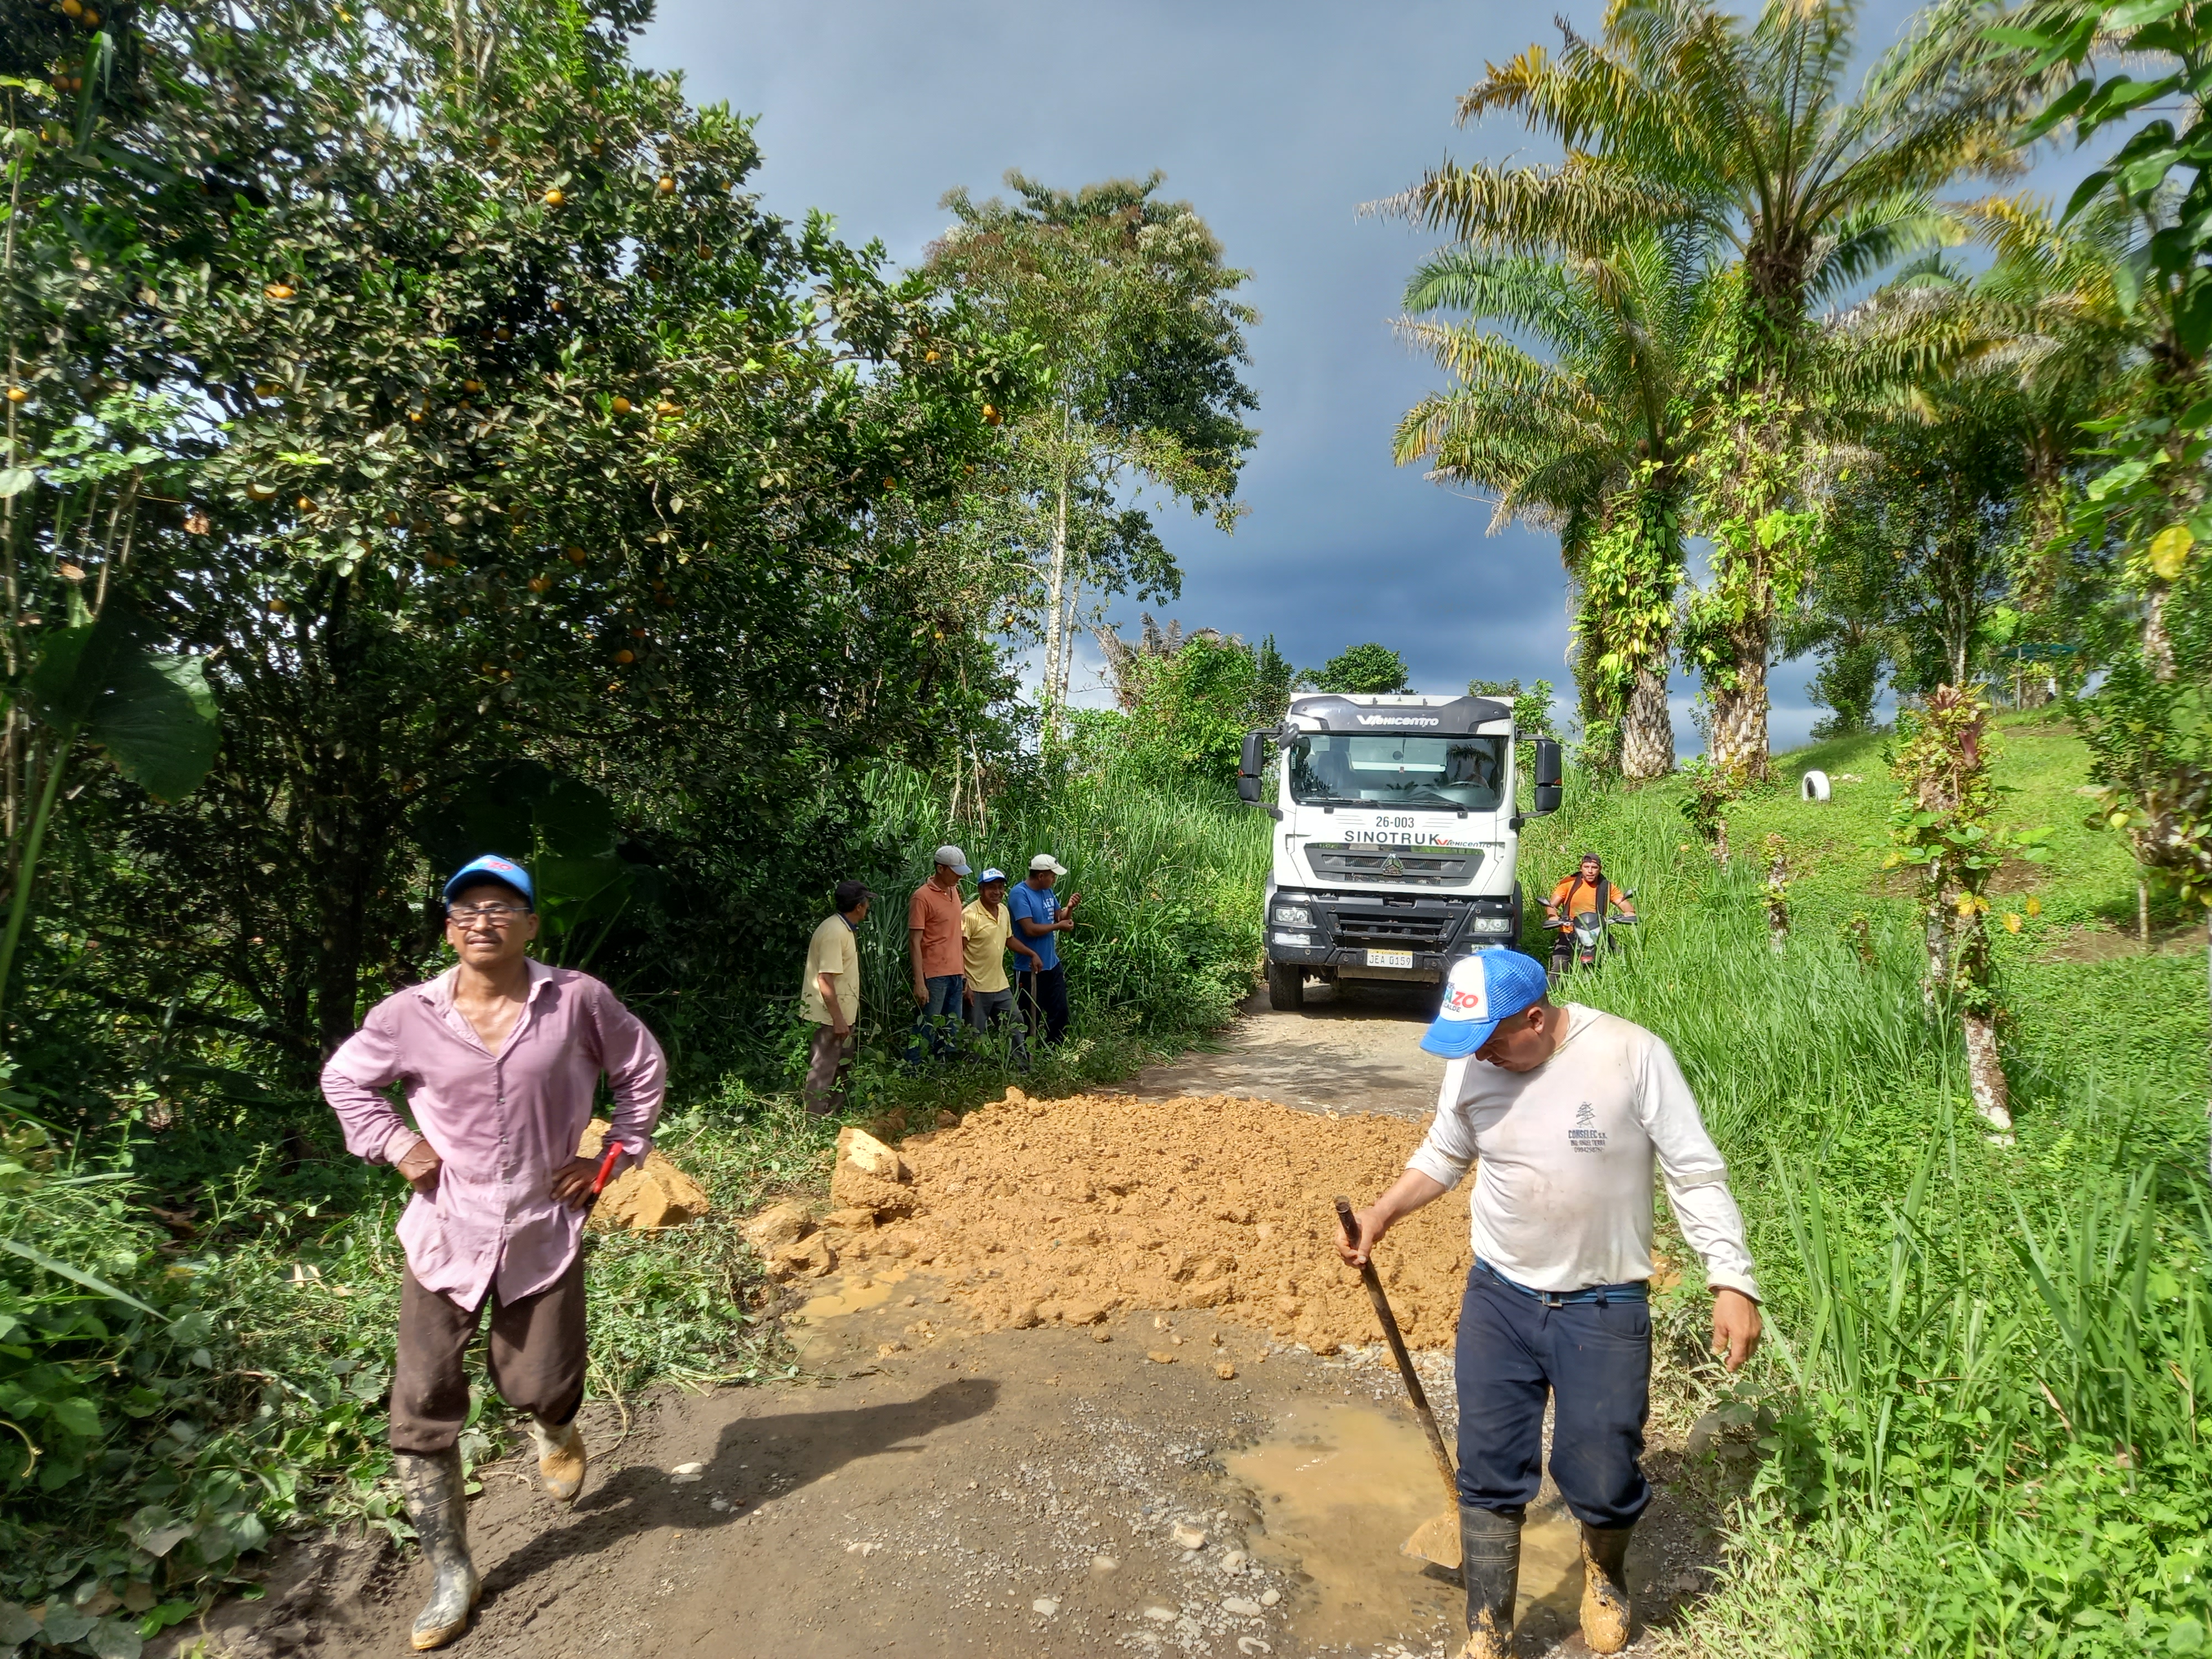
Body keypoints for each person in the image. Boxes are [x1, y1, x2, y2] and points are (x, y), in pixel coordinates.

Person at [1336, 947, 1760, 1659]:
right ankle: (1487, 1625)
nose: (1482, 1057)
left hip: (1604, 1303)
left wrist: (1732, 1279)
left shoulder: (1630, 1055)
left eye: (1493, 1041)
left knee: (1604, 1470)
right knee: (1488, 1465)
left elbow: (1694, 1172)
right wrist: (1382, 1213)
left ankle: (1604, 1575)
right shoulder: (1474, 1063)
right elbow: (1446, 1151)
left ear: (1535, 1019)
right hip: (1499, 1297)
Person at [321, 854, 666, 1652]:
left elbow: (640, 1070)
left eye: (502, 907)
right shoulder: (408, 1015)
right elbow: (347, 1081)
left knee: (540, 1384)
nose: (483, 920)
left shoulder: (577, 1001)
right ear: (449, 929)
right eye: (467, 909)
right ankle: (452, 1572)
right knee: (421, 1407)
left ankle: (557, 1428)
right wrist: (395, 1144)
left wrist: (610, 1157)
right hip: (446, 1232)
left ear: (531, 925)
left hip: (543, 1229)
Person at [801, 880, 872, 1115]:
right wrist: (838, 1020)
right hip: (831, 1018)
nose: (868, 906)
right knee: (823, 1071)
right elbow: (825, 979)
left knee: (841, 1068)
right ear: (859, 906)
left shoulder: (843, 928)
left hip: (841, 1016)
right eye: (867, 902)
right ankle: (814, 1122)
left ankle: (833, 1116)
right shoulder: (834, 932)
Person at [962, 868, 1040, 1065]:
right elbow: (957, 950)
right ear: (981, 890)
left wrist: (1031, 953)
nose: (997, 892)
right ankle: (972, 1074)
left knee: (1015, 1023)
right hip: (976, 987)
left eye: (1000, 888)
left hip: (1000, 985)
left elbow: (1009, 939)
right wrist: (965, 983)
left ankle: (1022, 1070)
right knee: (975, 1034)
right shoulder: (970, 915)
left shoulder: (1003, 910)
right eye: (991, 888)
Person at [1008, 853, 1079, 1046]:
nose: (1054, 879)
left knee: (1060, 1011)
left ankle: (1053, 1049)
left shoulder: (1047, 891)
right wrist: (1058, 927)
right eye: (1052, 876)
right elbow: (1029, 929)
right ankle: (1025, 1054)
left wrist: (1069, 908)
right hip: (1029, 968)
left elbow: (1059, 917)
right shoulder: (1019, 894)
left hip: (1051, 964)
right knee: (1030, 1016)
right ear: (1041, 876)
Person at [907, 844, 969, 1063]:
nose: (959, 877)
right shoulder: (921, 897)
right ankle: (913, 1069)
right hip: (934, 975)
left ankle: (942, 1072)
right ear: (941, 869)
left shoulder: (955, 892)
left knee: (952, 1030)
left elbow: (955, 935)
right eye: (955, 872)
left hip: (955, 973)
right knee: (927, 1028)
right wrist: (919, 982)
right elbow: (914, 942)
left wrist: (963, 973)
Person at [1543, 850, 1636, 972]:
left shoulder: (1606, 886)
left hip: (1597, 933)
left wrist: (1629, 912)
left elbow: (1623, 903)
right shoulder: (1569, 883)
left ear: (1600, 869)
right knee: (1559, 966)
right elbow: (1552, 905)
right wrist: (1553, 916)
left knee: (1620, 962)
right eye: (1586, 867)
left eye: (1594, 868)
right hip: (1569, 930)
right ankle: (1552, 985)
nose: (1590, 871)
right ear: (1581, 868)